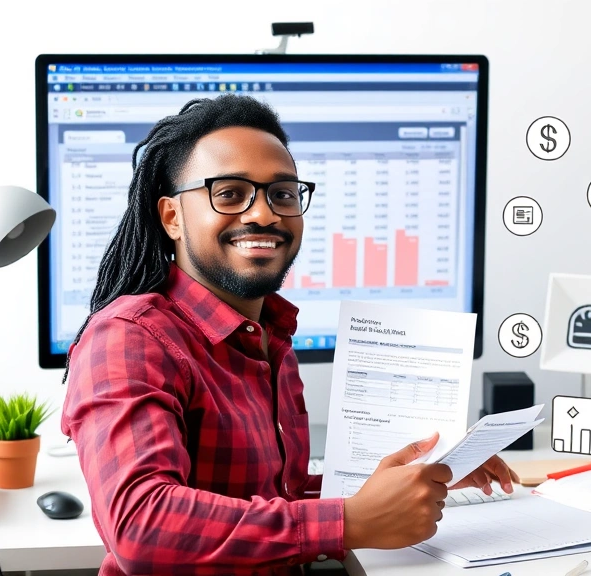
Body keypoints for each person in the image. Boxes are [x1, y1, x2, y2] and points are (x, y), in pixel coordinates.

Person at [60, 94, 519, 575]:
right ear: (172, 217)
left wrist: (422, 479)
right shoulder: (130, 337)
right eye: (230, 193)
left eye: (281, 194)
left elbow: (274, 496)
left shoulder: (268, 335)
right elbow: (141, 527)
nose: (263, 214)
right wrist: (348, 522)